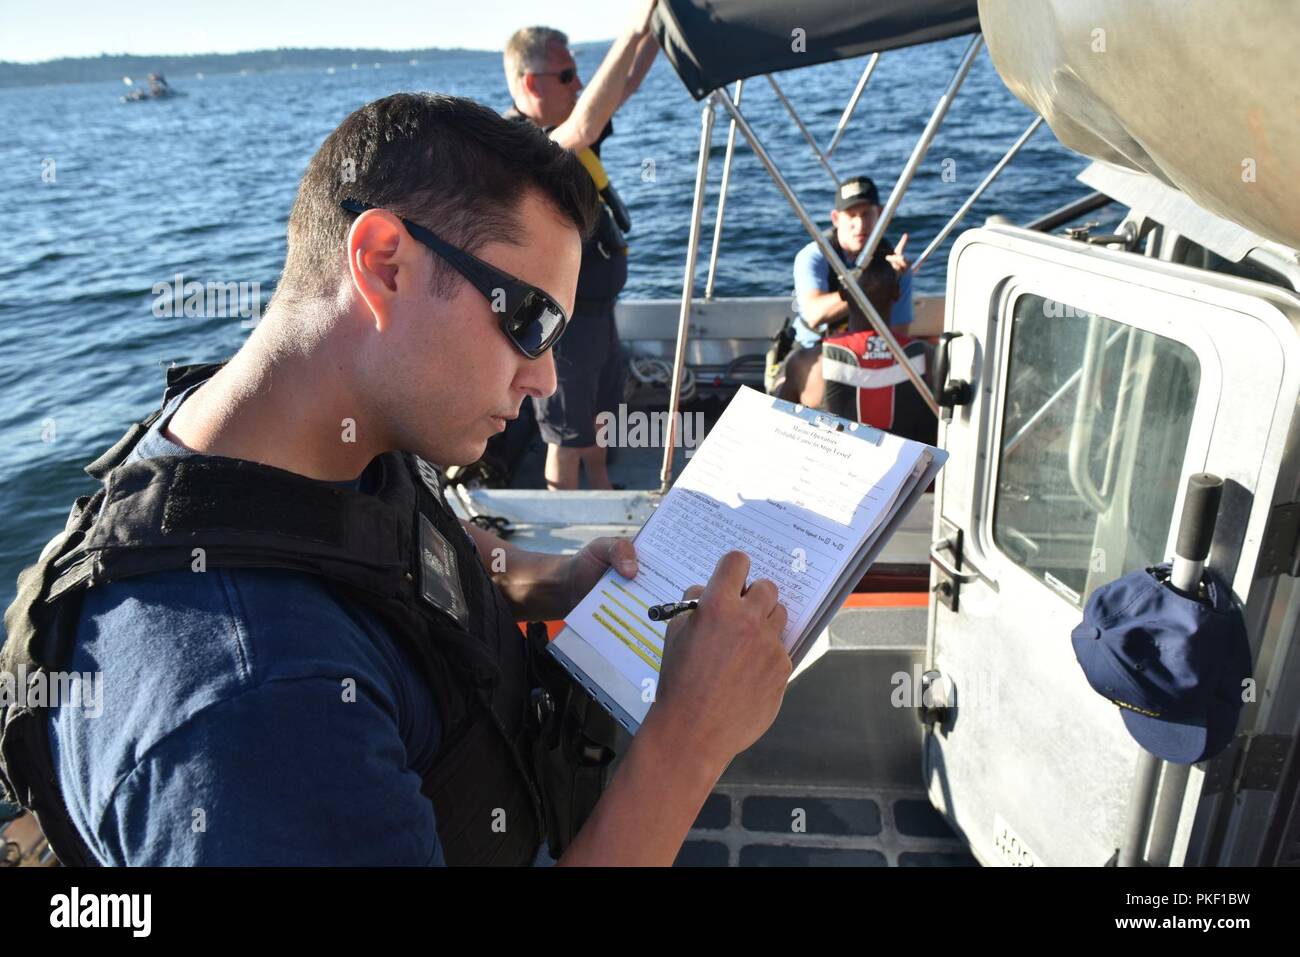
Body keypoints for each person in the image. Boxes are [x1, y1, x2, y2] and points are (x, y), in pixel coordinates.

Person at [0, 93, 791, 866]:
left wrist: (549, 583)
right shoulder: (259, 713)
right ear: (385, 264)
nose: (546, 378)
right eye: (529, 322)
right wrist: (689, 739)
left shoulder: (314, 434)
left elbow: (398, 547)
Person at [500, 5, 659, 490]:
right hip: (561, 325)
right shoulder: (519, 147)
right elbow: (585, 127)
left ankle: (603, 490)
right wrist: (633, 24)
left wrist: (655, 28)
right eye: (568, 75)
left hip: (597, 312)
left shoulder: (569, 123)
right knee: (564, 436)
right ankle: (566, 534)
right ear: (532, 84)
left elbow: (622, 87)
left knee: (599, 415)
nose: (578, 85)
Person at [776, 175, 939, 407]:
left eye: (866, 214)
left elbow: (897, 333)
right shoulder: (814, 256)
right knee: (780, 399)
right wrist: (872, 284)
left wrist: (893, 280)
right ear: (836, 218)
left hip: (867, 355)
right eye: (851, 216)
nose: (860, 225)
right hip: (812, 349)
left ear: (880, 214)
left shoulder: (896, 266)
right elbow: (814, 314)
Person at [809, 249, 937, 445]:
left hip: (838, 469)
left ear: (843, 294)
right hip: (908, 473)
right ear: (897, 293)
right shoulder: (927, 357)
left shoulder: (810, 362)